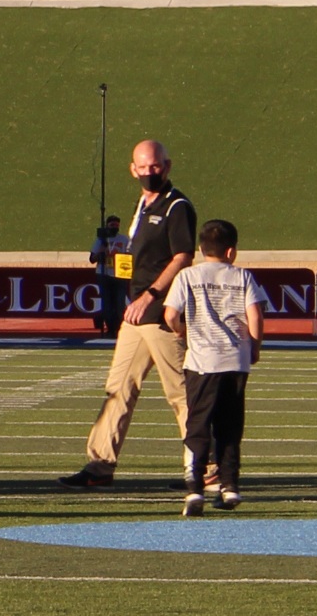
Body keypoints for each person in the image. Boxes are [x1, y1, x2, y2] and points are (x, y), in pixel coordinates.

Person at [58, 139, 196, 489]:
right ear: (133, 169)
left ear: (167, 165)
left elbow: (182, 256)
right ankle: (99, 466)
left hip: (161, 314)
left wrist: (151, 295)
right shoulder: (141, 204)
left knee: (181, 393)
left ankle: (204, 466)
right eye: (143, 166)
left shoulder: (176, 206)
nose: (150, 172)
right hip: (135, 317)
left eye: (156, 166)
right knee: (118, 388)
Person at [162, 218, 265, 516]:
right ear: (231, 251)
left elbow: (170, 315)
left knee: (198, 424)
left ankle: (194, 487)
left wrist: (183, 331)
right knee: (230, 426)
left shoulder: (187, 276)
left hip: (202, 361)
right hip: (235, 360)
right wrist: (254, 347)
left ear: (200, 248)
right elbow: (255, 315)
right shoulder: (242, 276)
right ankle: (230, 485)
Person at [89, 214, 125, 338]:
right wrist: (101, 252)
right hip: (103, 274)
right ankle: (110, 328)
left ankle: (119, 327)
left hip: (119, 275)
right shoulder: (101, 240)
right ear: (107, 226)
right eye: (112, 225)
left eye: (116, 225)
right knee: (107, 303)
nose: (114, 227)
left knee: (119, 303)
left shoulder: (125, 240)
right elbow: (92, 259)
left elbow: (130, 256)